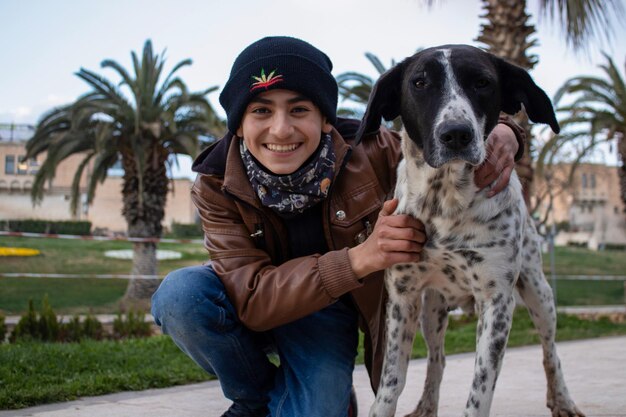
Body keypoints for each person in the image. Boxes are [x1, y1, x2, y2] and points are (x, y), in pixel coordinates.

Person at [151, 36, 524, 417]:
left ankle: (322, 396)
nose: (281, 130)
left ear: (325, 119)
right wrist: (360, 258)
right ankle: (251, 400)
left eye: (299, 110)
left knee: (319, 409)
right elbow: (250, 299)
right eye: (261, 111)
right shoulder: (216, 183)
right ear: (239, 124)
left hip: (329, 314)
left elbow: (442, 123)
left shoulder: (379, 151)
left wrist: (508, 131)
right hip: (255, 306)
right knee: (182, 295)